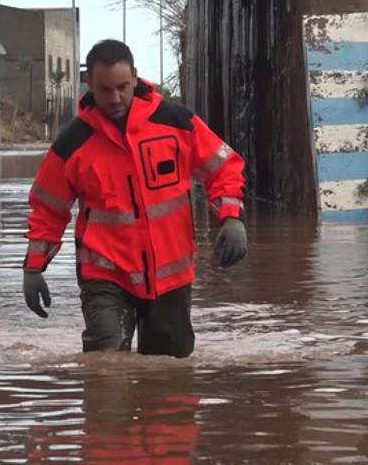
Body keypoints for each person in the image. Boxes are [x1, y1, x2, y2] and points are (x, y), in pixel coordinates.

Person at [22, 39, 247, 359]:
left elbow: (224, 168)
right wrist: (33, 268)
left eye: (122, 87)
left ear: (136, 77)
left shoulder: (176, 123)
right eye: (105, 90)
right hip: (105, 275)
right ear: (90, 86)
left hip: (170, 276)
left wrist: (232, 217)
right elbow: (48, 207)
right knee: (105, 367)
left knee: (170, 379)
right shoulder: (74, 142)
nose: (115, 98)